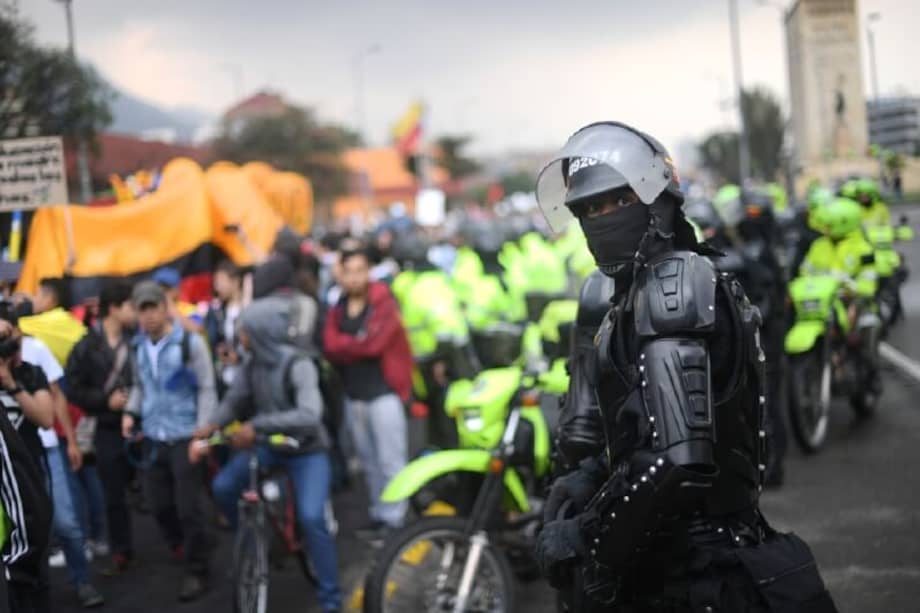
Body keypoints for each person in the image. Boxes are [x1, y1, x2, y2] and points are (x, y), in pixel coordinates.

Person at [532, 122, 837, 612]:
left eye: (617, 200)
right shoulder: (624, 293)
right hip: (655, 561)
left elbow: (678, 462)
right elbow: (621, 435)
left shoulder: (676, 282)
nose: (602, 217)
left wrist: (588, 539)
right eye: (588, 209)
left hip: (701, 570)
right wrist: (586, 478)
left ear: (657, 198)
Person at [193, 297, 343, 613]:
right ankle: (254, 544)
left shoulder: (299, 364)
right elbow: (234, 402)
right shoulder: (253, 365)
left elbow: (310, 415)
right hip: (269, 447)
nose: (241, 338)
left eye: (245, 332)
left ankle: (331, 599)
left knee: (312, 517)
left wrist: (256, 425)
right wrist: (210, 425)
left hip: (307, 451)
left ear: (261, 332)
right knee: (223, 487)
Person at [121, 281, 217, 601]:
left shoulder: (189, 343)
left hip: (185, 434)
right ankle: (184, 545)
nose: (148, 315)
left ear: (165, 308)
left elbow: (206, 387)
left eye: (153, 307)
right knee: (158, 503)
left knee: (190, 506)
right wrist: (131, 413)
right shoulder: (137, 346)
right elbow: (139, 384)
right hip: (153, 435)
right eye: (142, 309)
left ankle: (197, 569)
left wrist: (202, 432)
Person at [323, 248, 413, 538]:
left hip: (384, 393)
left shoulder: (383, 302)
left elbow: (374, 345)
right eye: (348, 271)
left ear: (369, 271)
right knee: (368, 461)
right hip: (354, 395)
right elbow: (329, 345)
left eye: (359, 270)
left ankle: (396, 520)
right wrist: (355, 344)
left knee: (391, 460)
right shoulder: (338, 306)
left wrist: (347, 347)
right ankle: (379, 514)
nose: (353, 278)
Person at [65, 281, 138, 574]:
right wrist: (105, 402)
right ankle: (122, 549)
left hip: (140, 423)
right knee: (113, 493)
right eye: (129, 306)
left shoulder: (136, 339)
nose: (134, 311)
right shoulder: (85, 346)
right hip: (106, 427)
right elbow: (73, 388)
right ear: (115, 308)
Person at [0, 319, 56, 612]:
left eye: (10, 336)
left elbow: (47, 419)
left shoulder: (29, 373)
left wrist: (12, 385)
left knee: (42, 547)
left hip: (30, 474)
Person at [204, 260, 245, 396]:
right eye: (216, 283)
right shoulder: (216, 311)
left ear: (235, 281)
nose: (218, 287)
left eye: (221, 281)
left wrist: (239, 357)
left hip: (246, 377)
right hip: (224, 377)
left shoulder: (249, 309)